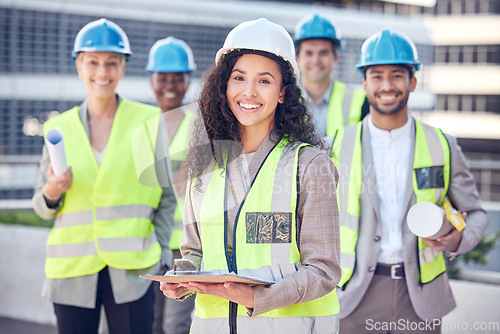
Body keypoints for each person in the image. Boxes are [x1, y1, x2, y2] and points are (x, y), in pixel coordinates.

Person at [160, 18, 341, 334]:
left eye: (264, 81)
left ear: (283, 93)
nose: (249, 91)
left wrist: (261, 297)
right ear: (224, 85)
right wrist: (183, 278)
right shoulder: (202, 163)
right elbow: (195, 251)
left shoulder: (310, 164)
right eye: (239, 78)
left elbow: (324, 269)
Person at [326, 29, 488, 333]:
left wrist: (459, 240)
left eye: (397, 75)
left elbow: (477, 213)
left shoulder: (443, 145)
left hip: (420, 298)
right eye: (377, 76)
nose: (387, 86)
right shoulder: (334, 146)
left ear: (412, 81)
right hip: (354, 294)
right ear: (365, 83)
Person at [32, 18, 176, 334]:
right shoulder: (59, 129)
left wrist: (162, 254)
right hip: (71, 271)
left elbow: (166, 196)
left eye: (112, 62)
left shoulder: (147, 121)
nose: (103, 71)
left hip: (133, 271)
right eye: (93, 62)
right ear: (79, 67)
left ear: (123, 68)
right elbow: (41, 207)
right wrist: (52, 191)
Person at [146, 36, 196, 334]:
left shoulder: (199, 126)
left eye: (178, 78)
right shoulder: (142, 125)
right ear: (151, 78)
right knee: (147, 321)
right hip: (148, 242)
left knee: (174, 324)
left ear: (187, 81)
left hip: (184, 247)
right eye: (162, 77)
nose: (170, 85)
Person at [294, 13, 369, 136]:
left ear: (336, 57)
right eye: (309, 53)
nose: (316, 61)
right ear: (297, 57)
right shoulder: (282, 100)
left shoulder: (360, 102)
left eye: (323, 53)